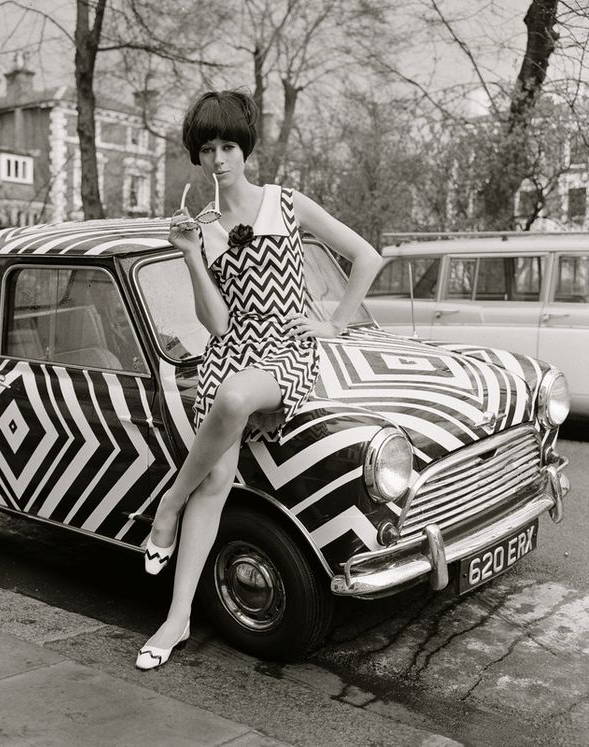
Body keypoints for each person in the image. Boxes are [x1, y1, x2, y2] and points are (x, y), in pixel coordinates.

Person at [135, 89, 382, 670]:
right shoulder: (203, 226)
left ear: (245, 149)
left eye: (228, 146)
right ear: (197, 156)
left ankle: (167, 505)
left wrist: (335, 324)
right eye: (207, 149)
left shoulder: (287, 203)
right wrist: (190, 255)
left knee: (233, 397)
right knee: (216, 480)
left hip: (287, 350)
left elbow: (367, 257)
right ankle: (176, 619)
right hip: (229, 350)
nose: (218, 159)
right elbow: (217, 325)